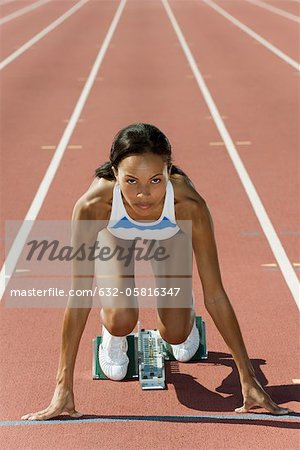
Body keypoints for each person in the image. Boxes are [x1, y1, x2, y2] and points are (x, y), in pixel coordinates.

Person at [22, 123, 291, 421]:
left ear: (169, 171)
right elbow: (79, 296)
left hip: (169, 232)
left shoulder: (188, 206)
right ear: (114, 173)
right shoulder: (93, 206)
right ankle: (113, 330)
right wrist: (63, 387)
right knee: (123, 320)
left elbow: (215, 294)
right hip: (115, 233)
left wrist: (248, 377)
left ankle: (181, 304)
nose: (144, 194)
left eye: (155, 179)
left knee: (176, 337)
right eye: (131, 180)